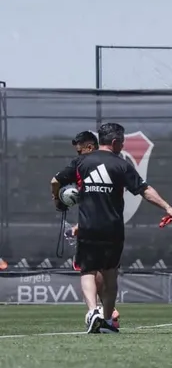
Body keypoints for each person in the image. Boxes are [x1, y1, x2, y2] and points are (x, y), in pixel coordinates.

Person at [51, 123, 172, 334]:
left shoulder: (81, 162)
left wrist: (58, 200)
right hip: (113, 229)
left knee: (87, 271)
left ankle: (93, 311)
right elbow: (144, 190)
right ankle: (108, 320)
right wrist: (168, 207)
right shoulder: (121, 165)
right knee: (110, 276)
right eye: (122, 143)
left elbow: (55, 181)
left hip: (87, 227)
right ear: (116, 142)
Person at [66, 130, 121, 329]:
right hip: (103, 227)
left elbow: (55, 181)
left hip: (97, 227)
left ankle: (99, 312)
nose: (78, 155)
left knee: (93, 271)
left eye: (80, 151)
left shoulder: (88, 165)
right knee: (100, 271)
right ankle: (103, 313)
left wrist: (58, 198)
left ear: (90, 147)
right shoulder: (89, 166)